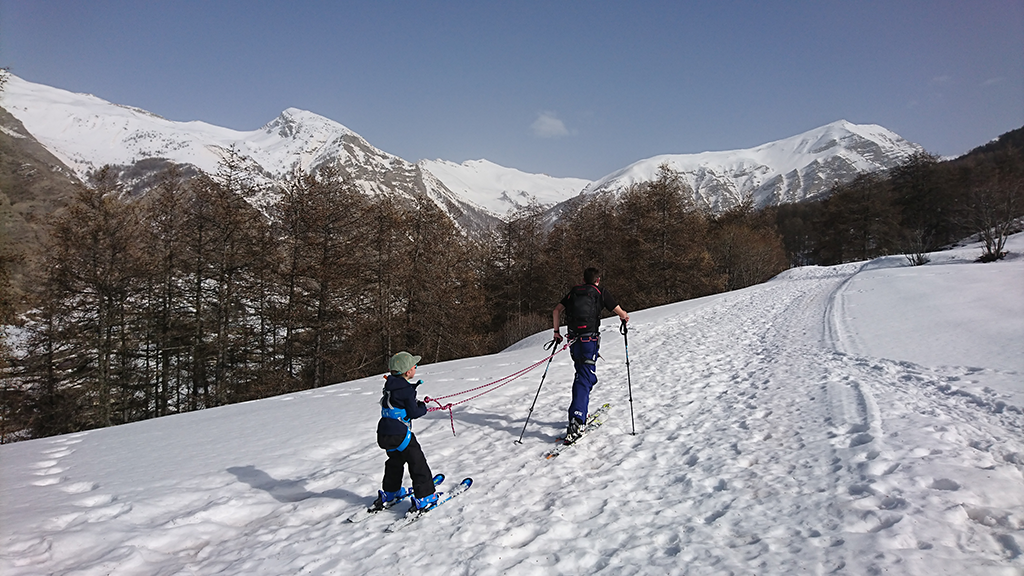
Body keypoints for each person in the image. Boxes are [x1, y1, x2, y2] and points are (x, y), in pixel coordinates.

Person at [552, 267, 629, 444]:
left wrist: (556, 332)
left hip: (573, 342)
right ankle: (577, 419)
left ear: (584, 279)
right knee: (585, 378)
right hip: (589, 341)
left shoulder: (574, 292)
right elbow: (620, 312)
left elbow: (556, 311)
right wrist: (624, 317)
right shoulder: (600, 292)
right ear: (598, 280)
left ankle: (579, 412)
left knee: (581, 374)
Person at [373, 351, 439, 512]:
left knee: (394, 461)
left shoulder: (389, 385)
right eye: (415, 366)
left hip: (384, 433)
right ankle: (425, 496)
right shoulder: (406, 390)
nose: (415, 369)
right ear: (409, 371)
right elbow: (413, 412)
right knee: (417, 462)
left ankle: (391, 491)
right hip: (401, 434)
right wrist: (423, 407)